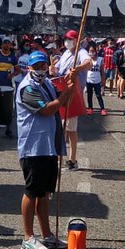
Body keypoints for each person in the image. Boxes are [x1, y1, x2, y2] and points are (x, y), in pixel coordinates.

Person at [17, 51, 76, 249]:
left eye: (43, 65)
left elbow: (63, 101)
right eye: (37, 66)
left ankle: (47, 235)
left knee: (44, 192)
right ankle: (27, 237)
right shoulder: (27, 88)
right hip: (33, 147)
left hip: (48, 145)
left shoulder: (47, 84)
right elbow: (48, 109)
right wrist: (67, 92)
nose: (41, 69)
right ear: (28, 68)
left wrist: (70, 85)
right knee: (32, 191)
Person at [55, 30, 91, 170]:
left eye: (70, 39)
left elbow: (88, 63)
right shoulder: (66, 53)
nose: (67, 41)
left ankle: (71, 160)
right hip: (61, 92)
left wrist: (77, 68)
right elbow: (58, 70)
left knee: (69, 128)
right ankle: (60, 158)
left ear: (76, 40)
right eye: (66, 39)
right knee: (61, 127)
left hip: (73, 93)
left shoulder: (81, 52)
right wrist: (53, 69)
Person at [85, 40, 107, 117]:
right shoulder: (86, 60)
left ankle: (102, 109)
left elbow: (102, 71)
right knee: (89, 95)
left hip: (97, 80)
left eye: (93, 51)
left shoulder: (100, 59)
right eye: (90, 51)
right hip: (88, 80)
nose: (92, 52)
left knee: (98, 95)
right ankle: (90, 108)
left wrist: (103, 80)